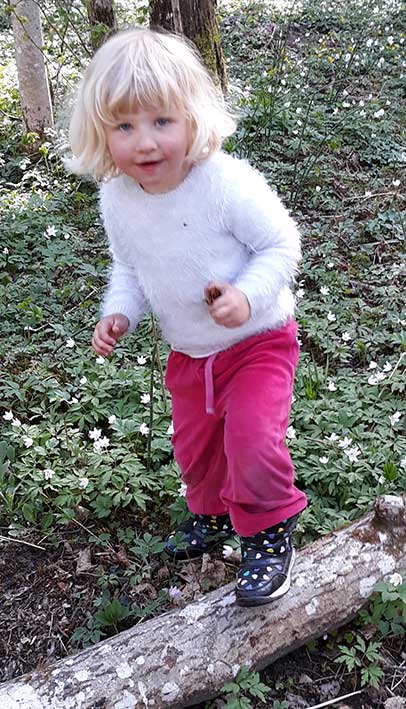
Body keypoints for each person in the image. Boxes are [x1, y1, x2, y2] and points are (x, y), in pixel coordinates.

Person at [68, 26, 307, 607]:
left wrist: (246, 295)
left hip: (257, 341)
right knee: (195, 449)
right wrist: (118, 313)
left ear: (193, 118)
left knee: (251, 439)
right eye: (124, 127)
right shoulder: (118, 198)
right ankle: (214, 516)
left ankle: (268, 534)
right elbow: (130, 266)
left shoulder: (225, 184)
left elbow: (281, 244)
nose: (145, 143)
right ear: (100, 132)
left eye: (161, 121)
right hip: (190, 352)